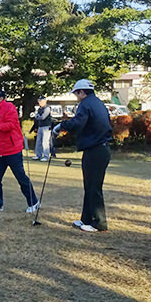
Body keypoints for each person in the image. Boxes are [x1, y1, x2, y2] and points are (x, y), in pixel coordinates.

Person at [52, 79, 112, 232]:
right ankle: (86, 219)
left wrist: (61, 125)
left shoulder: (85, 104)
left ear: (82, 92)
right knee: (89, 186)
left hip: (96, 150)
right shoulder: (97, 102)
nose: (76, 96)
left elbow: (78, 123)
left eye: (76, 93)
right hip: (99, 149)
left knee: (94, 186)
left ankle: (99, 223)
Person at [0, 87, 40, 214]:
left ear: (1, 99)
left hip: (13, 149)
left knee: (20, 177)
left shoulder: (10, 108)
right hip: (0, 151)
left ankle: (34, 202)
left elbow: (11, 125)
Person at [32, 95, 52, 162]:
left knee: (45, 142)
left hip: (46, 127)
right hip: (40, 127)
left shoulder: (47, 108)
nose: (39, 102)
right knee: (38, 142)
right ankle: (38, 155)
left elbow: (43, 117)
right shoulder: (40, 108)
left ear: (45, 101)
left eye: (41, 101)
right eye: (39, 101)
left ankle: (46, 156)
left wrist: (37, 117)